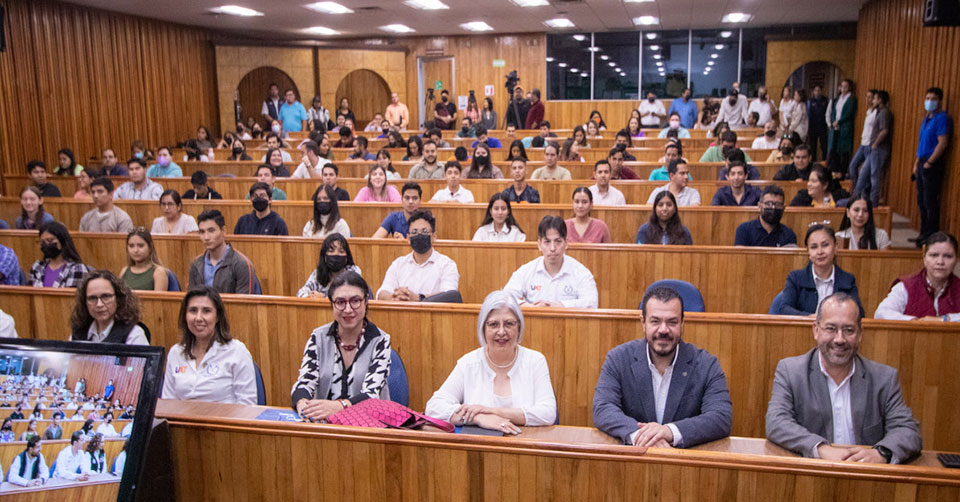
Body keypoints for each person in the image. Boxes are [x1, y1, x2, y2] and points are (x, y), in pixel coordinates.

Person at [765, 293, 922, 463]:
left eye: (848, 330)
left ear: (860, 334)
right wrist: (820, 448)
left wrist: (881, 453)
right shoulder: (791, 372)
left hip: (865, 474)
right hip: (812, 473)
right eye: (831, 328)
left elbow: (908, 431)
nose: (839, 339)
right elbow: (776, 422)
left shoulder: (883, 378)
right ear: (816, 330)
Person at [593, 286, 733, 447]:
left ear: (682, 323)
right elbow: (603, 408)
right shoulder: (618, 358)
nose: (663, 330)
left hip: (683, 459)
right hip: (634, 457)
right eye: (655, 321)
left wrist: (669, 432)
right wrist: (642, 437)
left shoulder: (707, 365)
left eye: (672, 322)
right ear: (643, 323)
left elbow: (721, 416)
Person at [425, 290, 557, 433]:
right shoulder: (469, 363)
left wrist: (492, 411)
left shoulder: (535, 361)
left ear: (519, 327)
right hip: (479, 445)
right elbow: (434, 407)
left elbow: (548, 413)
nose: (501, 332)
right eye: (493, 324)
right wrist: (479, 418)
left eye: (509, 324)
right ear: (483, 328)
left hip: (526, 443)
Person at [293, 271, 392, 418]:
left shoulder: (380, 340)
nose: (348, 309)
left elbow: (371, 394)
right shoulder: (318, 337)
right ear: (332, 304)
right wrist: (302, 403)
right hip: (324, 423)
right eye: (340, 302)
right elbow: (305, 382)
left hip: (369, 424)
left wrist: (339, 406)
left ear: (366, 301)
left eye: (355, 301)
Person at [162, 287, 257, 404]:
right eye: (193, 310)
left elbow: (247, 405)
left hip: (225, 415)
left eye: (206, 311)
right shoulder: (176, 352)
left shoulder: (237, 351)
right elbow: (168, 403)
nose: (198, 318)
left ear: (217, 316)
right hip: (181, 416)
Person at [503, 216, 598, 308]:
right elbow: (504, 297)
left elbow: (592, 303)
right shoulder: (527, 270)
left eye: (558, 241)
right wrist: (530, 307)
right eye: (547, 242)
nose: (552, 248)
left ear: (566, 243)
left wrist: (561, 305)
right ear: (539, 244)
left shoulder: (580, 272)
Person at [776, 224, 863, 316]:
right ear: (808, 252)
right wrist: (810, 318)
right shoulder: (795, 278)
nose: (820, 252)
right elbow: (784, 309)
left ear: (835, 247)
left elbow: (858, 313)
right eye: (814, 247)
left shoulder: (848, 280)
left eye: (825, 245)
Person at [376, 210, 460, 301]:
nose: (419, 235)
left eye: (424, 231)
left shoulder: (447, 265)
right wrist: (395, 298)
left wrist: (417, 298)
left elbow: (449, 296)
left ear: (434, 237)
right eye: (415, 232)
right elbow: (382, 293)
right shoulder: (398, 264)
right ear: (408, 238)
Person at [875, 232, 959, 321]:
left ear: (956, 259)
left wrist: (944, 319)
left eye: (948, 256)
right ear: (924, 257)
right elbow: (881, 313)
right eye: (934, 255)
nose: (940, 262)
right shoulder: (906, 286)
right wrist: (916, 322)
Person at [913, 87, 952, 245]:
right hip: (922, 161)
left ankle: (931, 236)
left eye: (933, 99)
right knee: (921, 200)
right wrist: (916, 163)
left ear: (940, 101)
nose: (929, 101)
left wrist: (930, 162)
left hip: (932, 164)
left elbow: (942, 143)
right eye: (927, 98)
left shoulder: (942, 118)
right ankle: (923, 233)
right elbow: (921, 142)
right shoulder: (926, 118)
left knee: (930, 202)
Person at [69, 269, 150, 344]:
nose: (99, 304)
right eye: (92, 298)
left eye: (106, 296)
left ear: (118, 298)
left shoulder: (134, 334)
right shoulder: (78, 333)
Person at [188, 210, 260, 294]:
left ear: (223, 231)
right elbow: (192, 297)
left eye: (211, 231)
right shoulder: (196, 264)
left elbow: (244, 301)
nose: (206, 237)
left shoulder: (241, 264)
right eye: (202, 232)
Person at [855, 90, 892, 207]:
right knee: (863, 173)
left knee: (874, 175)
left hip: (879, 148)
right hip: (874, 148)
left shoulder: (884, 112)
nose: (873, 101)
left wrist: (875, 143)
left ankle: (873, 202)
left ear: (880, 100)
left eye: (875, 98)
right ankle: (855, 197)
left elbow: (884, 130)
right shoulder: (878, 112)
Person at [297, 233, 362, 298]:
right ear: (324, 257)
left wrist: (323, 298)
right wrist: (309, 296)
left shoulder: (353, 272)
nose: (336, 254)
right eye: (331, 251)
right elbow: (301, 293)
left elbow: (350, 297)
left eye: (341, 251)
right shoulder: (317, 274)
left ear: (346, 257)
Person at [28, 222, 89, 288]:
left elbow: (74, 294)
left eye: (49, 240)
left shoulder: (77, 268)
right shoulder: (37, 267)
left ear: (62, 241)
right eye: (42, 242)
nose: (45, 244)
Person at [847, 89, 879, 183]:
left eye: (870, 97)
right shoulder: (869, 111)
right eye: (867, 97)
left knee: (865, 172)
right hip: (863, 143)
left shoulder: (876, 112)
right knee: (852, 166)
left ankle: (862, 190)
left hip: (869, 144)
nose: (867, 99)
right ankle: (856, 187)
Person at [826, 79, 858, 174]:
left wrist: (839, 121)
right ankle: (834, 171)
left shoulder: (851, 99)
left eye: (846, 87)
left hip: (844, 127)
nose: (843, 89)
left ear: (849, 88)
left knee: (843, 151)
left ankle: (842, 172)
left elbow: (849, 113)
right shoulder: (838, 99)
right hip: (836, 127)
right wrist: (833, 121)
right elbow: (834, 111)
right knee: (834, 150)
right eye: (842, 86)